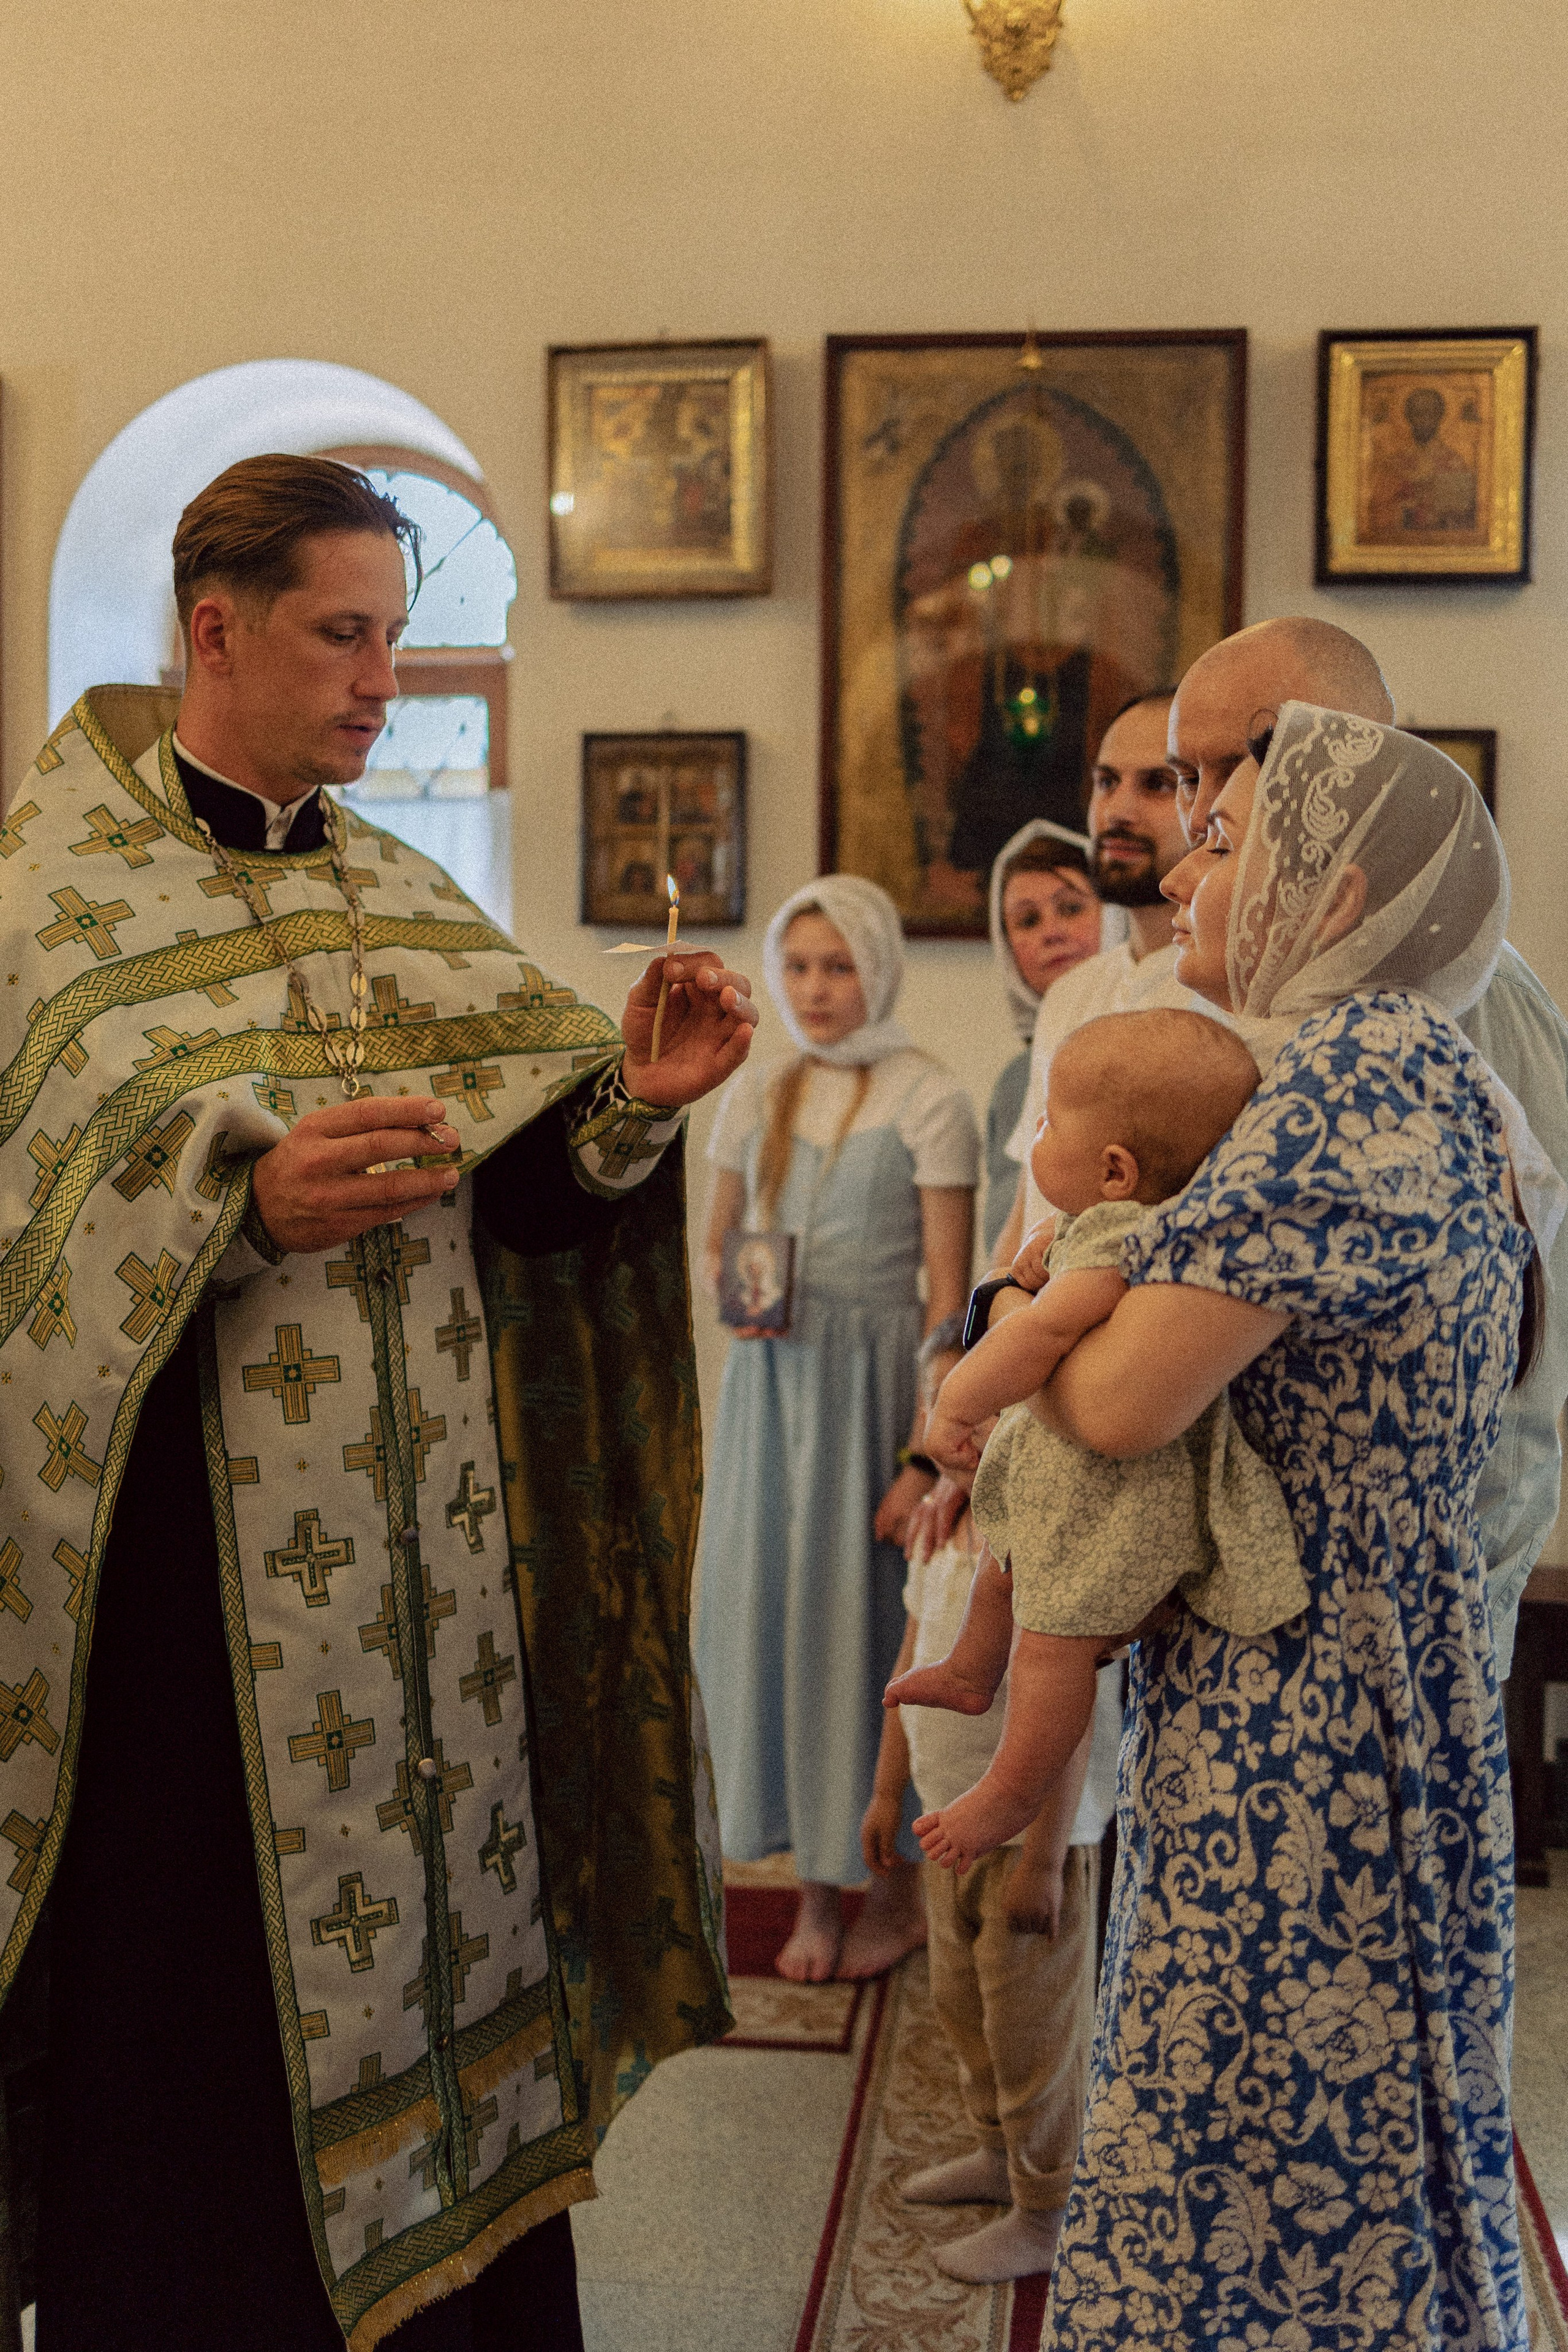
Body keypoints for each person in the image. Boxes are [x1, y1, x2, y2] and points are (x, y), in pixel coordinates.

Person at [0, 456, 758, 2351]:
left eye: (397, 639)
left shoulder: (390, 885)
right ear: (213, 627)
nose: (380, 682)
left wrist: (629, 1104)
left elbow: (517, 1185)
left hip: (432, 1674)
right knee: (198, 2123)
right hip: (187, 1672)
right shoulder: (45, 909)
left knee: (455, 2038)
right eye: (345, 635)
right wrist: (232, 1208)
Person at [1037, 703, 1547, 2346]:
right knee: (1363, 2116)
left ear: (1327, 897)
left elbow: (1122, 1404)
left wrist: (1017, 1318)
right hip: (1371, 1661)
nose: (1191, 865)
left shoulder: (1341, 1078)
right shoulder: (1430, 1068)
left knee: (1252, 2144)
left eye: (1233, 838)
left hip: (1302, 1705)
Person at [1166, 614, 1568, 1671]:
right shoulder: (1289, 996)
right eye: (1186, 776)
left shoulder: (1432, 1002)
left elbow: (1520, 1315)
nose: (1205, 809)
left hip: (1393, 1578)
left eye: (1247, 758)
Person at [895, 1010, 1304, 1872]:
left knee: (1055, 1645)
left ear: (1116, 1168)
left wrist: (958, 1398)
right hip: (1071, 1484)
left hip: (1115, 1498)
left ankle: (1012, 1788)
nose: (1035, 1137)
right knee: (1008, 1566)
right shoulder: (1115, 1227)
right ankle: (973, 1673)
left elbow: (1039, 1340)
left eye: (1045, 1123)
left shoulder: (1121, 1239)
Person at [694, 877, 979, 1983]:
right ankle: (809, 1887)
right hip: (772, 1400)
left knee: (864, 1639)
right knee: (772, 1626)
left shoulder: (929, 1096)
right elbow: (714, 1251)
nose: (816, 990)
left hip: (871, 1404)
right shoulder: (755, 1092)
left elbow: (947, 1299)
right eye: (799, 967)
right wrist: (740, 1292)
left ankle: (894, 1889)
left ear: (880, 969)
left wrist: (924, 1451)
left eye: (839, 967)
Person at [861, 1432, 1118, 2287]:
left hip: (1028, 1845)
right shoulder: (942, 1535)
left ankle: (1046, 2209)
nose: (959, 1431)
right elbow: (908, 1669)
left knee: (1032, 2031)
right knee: (963, 2004)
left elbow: (1069, 1712)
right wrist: (885, 1794)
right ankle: (997, 2157)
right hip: (947, 1826)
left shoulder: (1046, 1545)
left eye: (987, 1411)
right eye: (947, 1409)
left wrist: (1045, 1862)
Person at [981, 821, 1103, 1257]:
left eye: (1070, 909)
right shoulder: (1014, 1081)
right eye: (1028, 920)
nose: (1051, 932)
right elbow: (1006, 1233)